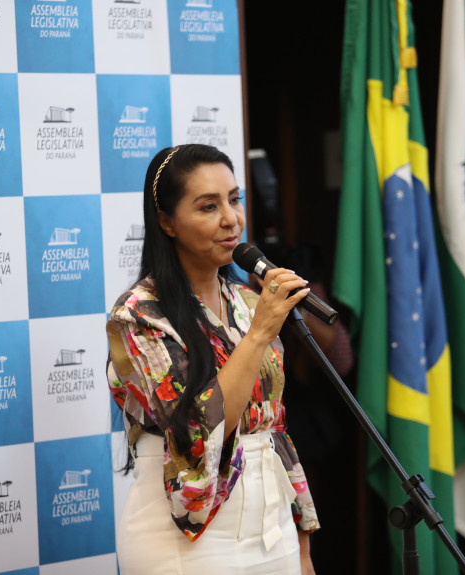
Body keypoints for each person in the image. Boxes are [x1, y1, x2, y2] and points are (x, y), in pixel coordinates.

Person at [106, 144, 320, 574]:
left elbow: (275, 428)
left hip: (272, 529)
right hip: (186, 536)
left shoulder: (245, 300)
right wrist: (260, 333)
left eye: (234, 199)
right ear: (166, 222)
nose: (231, 219)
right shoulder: (139, 314)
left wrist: (302, 542)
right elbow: (195, 429)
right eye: (208, 206)